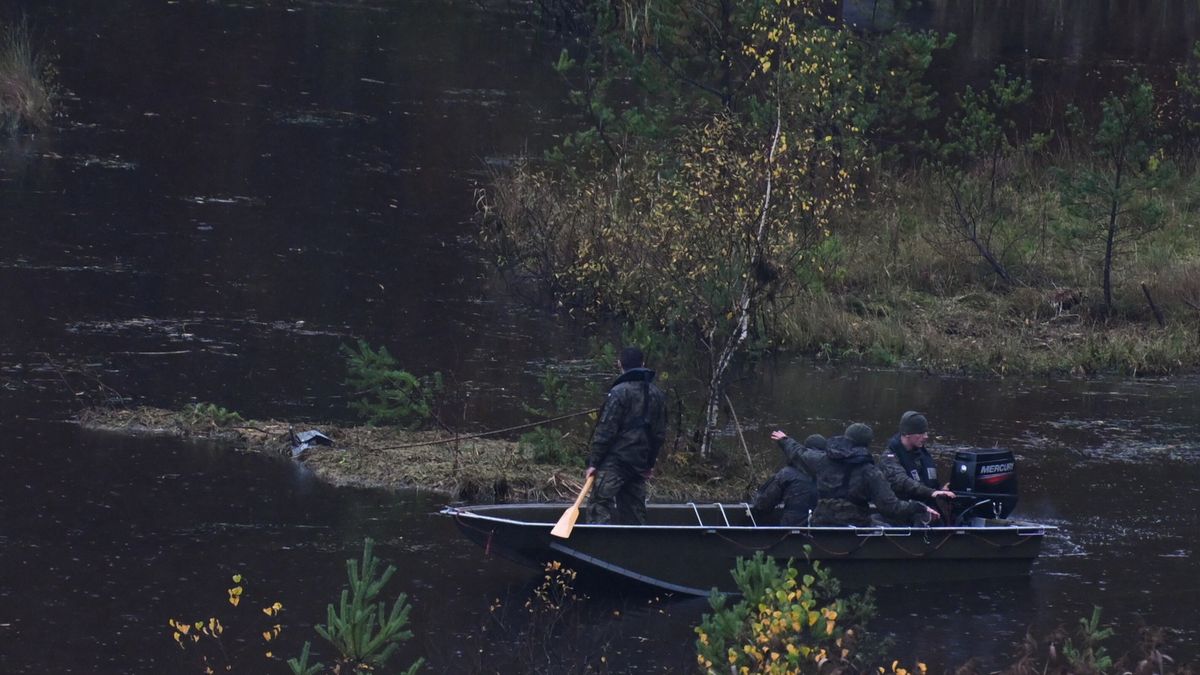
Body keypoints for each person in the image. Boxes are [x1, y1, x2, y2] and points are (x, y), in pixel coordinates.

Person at [771, 423, 940, 527]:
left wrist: (785, 440)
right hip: (855, 528)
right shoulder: (870, 471)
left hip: (821, 524)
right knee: (884, 524)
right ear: (866, 444)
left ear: (846, 438)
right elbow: (891, 507)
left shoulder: (823, 460)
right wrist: (919, 507)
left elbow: (799, 453)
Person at [584, 346, 667, 525]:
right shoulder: (657, 395)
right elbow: (659, 435)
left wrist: (594, 463)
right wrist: (649, 463)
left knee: (599, 505)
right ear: (643, 364)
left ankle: (598, 545)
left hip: (615, 463)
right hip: (639, 463)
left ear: (619, 364)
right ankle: (636, 548)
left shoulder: (618, 393)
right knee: (635, 513)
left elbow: (605, 431)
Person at [880, 411, 955, 511]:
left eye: (926, 432)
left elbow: (928, 484)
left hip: (927, 508)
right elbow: (902, 481)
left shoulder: (921, 453)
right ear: (907, 434)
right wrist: (931, 492)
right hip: (902, 510)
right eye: (921, 433)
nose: (926, 436)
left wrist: (941, 490)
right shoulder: (889, 457)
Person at [751, 434, 825, 526]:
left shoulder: (787, 474)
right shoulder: (836, 472)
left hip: (792, 528)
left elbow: (764, 504)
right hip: (827, 527)